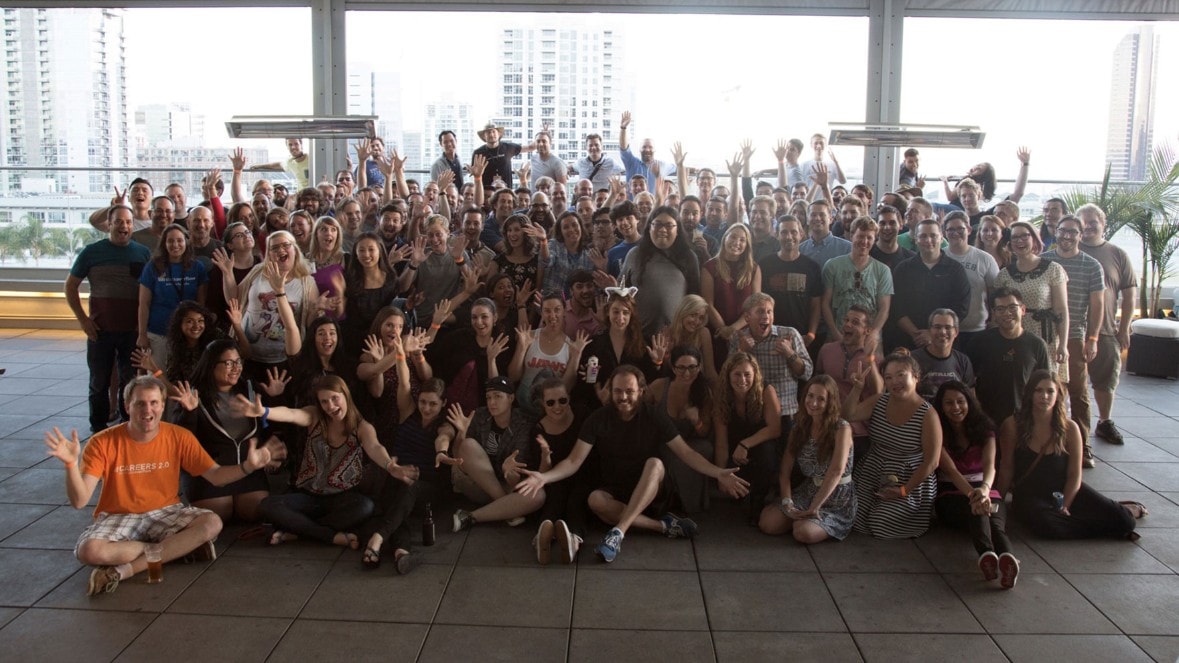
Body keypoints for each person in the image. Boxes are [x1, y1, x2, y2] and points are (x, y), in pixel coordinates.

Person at [44, 375, 271, 596]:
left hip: (166, 512)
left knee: (212, 523)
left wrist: (248, 467)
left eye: (154, 403)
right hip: (119, 515)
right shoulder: (102, 442)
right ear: (127, 406)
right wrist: (70, 465)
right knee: (89, 551)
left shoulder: (178, 436)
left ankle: (126, 570)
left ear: (163, 406)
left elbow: (215, 476)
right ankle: (176, 550)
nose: (147, 410)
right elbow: (79, 500)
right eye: (140, 403)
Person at [515, 365, 750, 563]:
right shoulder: (598, 418)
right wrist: (544, 477)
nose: (623, 397)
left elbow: (686, 452)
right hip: (616, 491)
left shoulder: (654, 415)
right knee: (594, 500)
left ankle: (618, 533)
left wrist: (718, 473)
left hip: (650, 490)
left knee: (656, 463)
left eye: (629, 391)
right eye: (618, 391)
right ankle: (662, 527)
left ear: (641, 391)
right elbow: (574, 460)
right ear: (610, 391)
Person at [246, 375, 418, 548]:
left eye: (335, 398)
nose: (331, 406)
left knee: (365, 507)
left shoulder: (361, 427)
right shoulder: (314, 416)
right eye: (324, 402)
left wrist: (390, 465)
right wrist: (265, 412)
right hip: (308, 496)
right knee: (268, 505)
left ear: (345, 395)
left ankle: (299, 530)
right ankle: (329, 535)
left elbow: (374, 447)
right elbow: (291, 414)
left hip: (342, 499)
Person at [996, 371, 1144, 541]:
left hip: (1064, 490)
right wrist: (998, 501)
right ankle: (1101, 526)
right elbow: (1006, 467)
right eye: (1038, 390)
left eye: (1050, 391)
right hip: (1030, 496)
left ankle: (1105, 517)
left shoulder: (1070, 428)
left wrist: (1064, 505)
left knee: (1126, 521)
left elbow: (1075, 475)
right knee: (1049, 525)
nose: (1044, 396)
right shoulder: (1013, 425)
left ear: (1058, 394)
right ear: (1030, 393)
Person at [362, 349, 458, 573]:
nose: (426, 408)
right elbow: (404, 382)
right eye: (423, 402)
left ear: (443, 404)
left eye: (433, 404)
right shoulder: (408, 413)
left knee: (408, 489)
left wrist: (442, 452)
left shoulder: (444, 425)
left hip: (428, 488)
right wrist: (400, 354)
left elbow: (444, 439)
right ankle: (401, 552)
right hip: (398, 477)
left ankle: (376, 540)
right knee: (394, 495)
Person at [171, 340, 285, 523]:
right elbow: (183, 442)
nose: (236, 368)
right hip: (211, 473)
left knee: (257, 511)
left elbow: (264, 429)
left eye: (238, 362)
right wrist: (189, 412)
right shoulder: (192, 395)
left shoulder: (250, 389)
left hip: (248, 469)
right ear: (211, 365)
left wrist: (272, 399)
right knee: (218, 512)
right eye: (229, 363)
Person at [66, 205, 152, 433]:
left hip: (131, 331)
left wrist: (142, 327)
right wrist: (83, 320)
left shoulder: (142, 253)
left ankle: (127, 425)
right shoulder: (91, 252)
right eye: (119, 221)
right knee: (99, 382)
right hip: (99, 330)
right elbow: (70, 286)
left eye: (128, 222)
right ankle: (98, 427)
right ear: (109, 224)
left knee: (130, 381)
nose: (124, 226)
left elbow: (148, 292)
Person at [845, 351, 942, 538]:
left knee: (880, 523)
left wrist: (903, 490)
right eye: (888, 377)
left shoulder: (928, 415)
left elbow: (932, 462)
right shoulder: (879, 400)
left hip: (909, 480)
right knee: (854, 519)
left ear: (916, 377)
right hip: (872, 472)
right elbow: (848, 415)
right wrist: (856, 389)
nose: (894, 381)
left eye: (901, 375)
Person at [933, 381, 1018, 588]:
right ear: (941, 406)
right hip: (952, 492)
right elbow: (951, 470)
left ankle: (1006, 559)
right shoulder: (937, 430)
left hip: (985, 487)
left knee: (995, 522)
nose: (956, 408)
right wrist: (974, 495)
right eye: (949, 403)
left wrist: (985, 490)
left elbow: (990, 466)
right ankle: (989, 555)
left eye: (961, 401)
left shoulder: (985, 427)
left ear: (969, 402)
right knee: (978, 511)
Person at [758, 375, 856, 543]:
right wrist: (787, 502)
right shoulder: (799, 427)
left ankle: (810, 521)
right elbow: (785, 471)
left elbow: (836, 471)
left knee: (803, 533)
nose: (814, 403)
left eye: (821, 399)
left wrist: (815, 506)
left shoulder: (842, 428)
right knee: (768, 524)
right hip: (809, 489)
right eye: (810, 396)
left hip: (836, 496)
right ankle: (801, 519)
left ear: (830, 402)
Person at [1042, 214, 1105, 462]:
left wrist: (1093, 337)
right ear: (1055, 232)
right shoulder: (1044, 261)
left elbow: (1097, 304)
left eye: (1073, 232)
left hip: (1076, 335)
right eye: (1063, 230)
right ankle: (1052, 442)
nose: (1067, 236)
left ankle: (1083, 444)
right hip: (1046, 336)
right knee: (1050, 391)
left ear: (1081, 235)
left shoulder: (1091, 265)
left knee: (1078, 391)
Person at [448, 376, 544, 530]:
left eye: (498, 397)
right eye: (488, 397)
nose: (492, 402)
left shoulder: (523, 423)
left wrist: (508, 471)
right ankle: (508, 510)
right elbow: (459, 455)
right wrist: (461, 432)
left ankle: (471, 516)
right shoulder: (480, 415)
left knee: (538, 496)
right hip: (479, 483)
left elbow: (516, 477)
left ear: (511, 398)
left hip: (508, 484)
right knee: (467, 444)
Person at [1078, 203, 1137, 448]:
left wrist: (1123, 328)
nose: (1089, 226)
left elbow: (1130, 294)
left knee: (1105, 379)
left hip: (1105, 330)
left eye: (1094, 222)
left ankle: (1105, 421)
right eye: (1084, 222)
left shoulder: (1117, 254)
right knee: (1073, 385)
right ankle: (1075, 429)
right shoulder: (1067, 251)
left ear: (1103, 224)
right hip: (1073, 330)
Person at [994, 220, 1069, 378]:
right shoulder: (1004, 274)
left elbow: (1061, 310)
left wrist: (1063, 344)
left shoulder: (1053, 269)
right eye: (1015, 238)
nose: (1019, 241)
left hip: (1045, 333)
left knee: (1046, 383)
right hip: (1015, 334)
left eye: (1024, 236)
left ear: (1034, 239)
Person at [966, 288, 1051, 426]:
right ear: (993, 313)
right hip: (986, 419)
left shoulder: (1037, 345)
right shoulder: (979, 342)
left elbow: (1045, 384)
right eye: (1000, 309)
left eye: (1012, 307)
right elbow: (968, 382)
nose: (1007, 313)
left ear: (1023, 310)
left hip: (1024, 419)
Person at [714, 352, 782, 523]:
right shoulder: (722, 395)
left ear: (755, 375)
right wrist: (720, 474)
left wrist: (745, 445)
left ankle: (758, 499)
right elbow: (721, 442)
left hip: (760, 446)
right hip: (734, 451)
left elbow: (775, 428)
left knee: (766, 453)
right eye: (737, 374)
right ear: (728, 375)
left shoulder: (766, 390)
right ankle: (742, 495)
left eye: (747, 375)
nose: (742, 380)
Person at [730, 293, 813, 435]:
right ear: (747, 317)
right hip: (753, 413)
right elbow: (727, 377)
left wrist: (790, 354)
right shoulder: (739, 338)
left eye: (769, 311)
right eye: (760, 311)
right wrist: (741, 351)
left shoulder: (789, 334)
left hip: (785, 413)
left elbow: (807, 374)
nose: (766, 316)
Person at [531, 378, 591, 563]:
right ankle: (543, 536)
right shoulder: (538, 429)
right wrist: (545, 457)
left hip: (585, 473)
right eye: (551, 402)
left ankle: (573, 539)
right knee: (555, 498)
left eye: (562, 400)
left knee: (576, 501)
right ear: (543, 404)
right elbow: (543, 472)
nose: (557, 406)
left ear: (569, 398)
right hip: (555, 478)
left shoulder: (582, 414)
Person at [888, 219, 970, 351]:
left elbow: (961, 308)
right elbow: (896, 307)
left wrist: (933, 334)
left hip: (945, 343)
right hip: (909, 341)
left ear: (941, 237)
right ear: (916, 239)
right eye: (923, 236)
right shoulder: (903, 269)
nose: (928, 240)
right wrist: (917, 334)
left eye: (933, 236)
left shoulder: (955, 269)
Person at [619, 206, 701, 335]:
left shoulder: (688, 257)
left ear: (677, 229)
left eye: (669, 225)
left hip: (675, 336)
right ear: (649, 228)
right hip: (638, 336)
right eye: (657, 224)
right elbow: (622, 293)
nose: (662, 230)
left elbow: (695, 298)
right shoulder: (635, 254)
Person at [137, 224, 209, 367]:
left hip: (188, 334)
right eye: (170, 241)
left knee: (185, 377)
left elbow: (201, 305)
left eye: (179, 240)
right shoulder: (152, 267)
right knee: (159, 378)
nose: (175, 245)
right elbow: (144, 303)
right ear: (164, 244)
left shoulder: (197, 267)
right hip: (159, 332)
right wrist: (142, 334)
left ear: (186, 242)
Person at [508, 292, 591, 414]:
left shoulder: (571, 346)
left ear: (564, 312)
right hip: (522, 410)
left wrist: (576, 355)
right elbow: (513, 377)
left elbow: (566, 388)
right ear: (541, 313)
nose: (552, 315)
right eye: (547, 311)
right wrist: (521, 348)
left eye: (557, 310)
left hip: (553, 415)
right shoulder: (529, 337)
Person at [822, 217, 892, 357]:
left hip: (869, 339)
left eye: (869, 238)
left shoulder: (882, 270)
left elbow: (884, 308)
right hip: (838, 335)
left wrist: (873, 334)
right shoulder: (832, 266)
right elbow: (825, 304)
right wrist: (836, 334)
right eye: (860, 236)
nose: (864, 242)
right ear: (851, 235)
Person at [759, 214, 822, 346]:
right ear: (777, 235)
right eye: (784, 232)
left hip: (802, 336)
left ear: (801, 234)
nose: (789, 237)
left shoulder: (812, 267)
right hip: (770, 335)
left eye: (793, 232)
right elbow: (758, 300)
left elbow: (816, 304)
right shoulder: (765, 264)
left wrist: (811, 333)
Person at [703, 224, 761, 363]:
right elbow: (707, 304)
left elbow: (755, 305)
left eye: (742, 240)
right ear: (724, 238)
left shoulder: (754, 268)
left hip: (745, 333)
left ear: (747, 245)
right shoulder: (709, 267)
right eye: (733, 237)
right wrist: (723, 329)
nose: (737, 242)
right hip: (717, 333)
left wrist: (733, 329)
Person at [942, 210, 999, 349]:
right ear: (944, 232)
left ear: (968, 229)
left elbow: (995, 294)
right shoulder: (939, 257)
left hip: (977, 330)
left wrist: (995, 320)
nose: (955, 233)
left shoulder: (985, 259)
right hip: (944, 331)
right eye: (951, 229)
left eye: (960, 228)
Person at [912, 309, 975, 401]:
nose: (942, 332)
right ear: (929, 331)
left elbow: (971, 398)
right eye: (937, 327)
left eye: (948, 327)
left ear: (956, 332)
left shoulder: (963, 361)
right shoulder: (912, 359)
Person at [666, 295, 719, 382]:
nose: (697, 321)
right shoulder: (668, 333)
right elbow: (665, 371)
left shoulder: (703, 333)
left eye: (701, 318)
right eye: (693, 315)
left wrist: (719, 393)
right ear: (683, 312)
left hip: (697, 383)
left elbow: (710, 372)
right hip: (673, 382)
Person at [473, 122, 534, 189]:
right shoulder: (478, 153)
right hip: (486, 192)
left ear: (499, 134)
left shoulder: (508, 147)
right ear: (484, 136)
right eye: (488, 132)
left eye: (493, 131)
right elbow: (475, 174)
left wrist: (545, 134)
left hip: (506, 191)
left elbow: (529, 147)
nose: (491, 134)